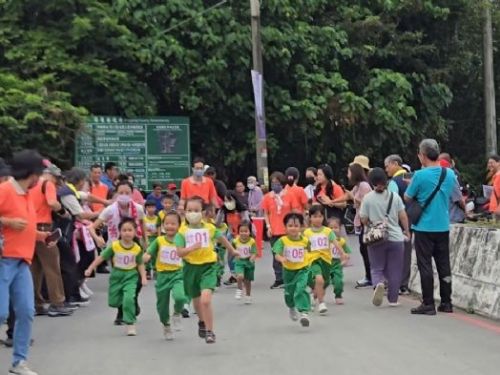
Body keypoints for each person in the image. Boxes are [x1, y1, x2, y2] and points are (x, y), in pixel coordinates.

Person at [0, 150, 54, 375]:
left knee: (26, 311)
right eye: (39, 174)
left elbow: (27, 227)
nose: (40, 179)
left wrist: (43, 238)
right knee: (1, 312)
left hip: (23, 260)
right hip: (4, 259)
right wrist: (7, 221)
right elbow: (13, 222)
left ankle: (19, 362)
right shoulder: (4, 190)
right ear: (31, 173)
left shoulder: (27, 195)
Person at [175, 196, 239, 344]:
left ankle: (210, 331)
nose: (193, 213)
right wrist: (191, 248)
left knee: (205, 300)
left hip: (208, 266)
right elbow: (179, 252)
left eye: (196, 210)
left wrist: (232, 250)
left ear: (203, 212)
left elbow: (222, 238)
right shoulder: (182, 231)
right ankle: (202, 321)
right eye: (189, 210)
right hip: (191, 268)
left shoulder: (209, 228)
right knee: (197, 301)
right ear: (184, 213)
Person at [405, 139, 456, 316]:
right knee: (444, 264)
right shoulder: (449, 174)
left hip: (424, 227)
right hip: (443, 225)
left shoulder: (419, 175)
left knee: (425, 264)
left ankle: (428, 303)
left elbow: (407, 197)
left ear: (423, 155)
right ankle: (447, 302)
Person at [85, 218, 147, 336]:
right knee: (113, 302)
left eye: (130, 230)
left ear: (134, 232)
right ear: (120, 232)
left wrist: (143, 277)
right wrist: (90, 268)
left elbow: (140, 264)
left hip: (131, 275)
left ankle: (130, 324)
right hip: (117, 275)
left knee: (129, 298)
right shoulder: (114, 246)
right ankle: (128, 307)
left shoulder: (137, 248)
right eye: (124, 230)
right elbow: (102, 257)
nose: (127, 233)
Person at [360, 168, 410, 307]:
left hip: (376, 237)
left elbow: (363, 218)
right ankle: (393, 300)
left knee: (376, 267)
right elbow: (403, 216)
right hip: (395, 237)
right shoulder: (395, 196)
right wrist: (406, 231)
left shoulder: (368, 198)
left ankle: (378, 284)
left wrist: (371, 222)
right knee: (395, 269)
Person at [30, 163, 74, 317]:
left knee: (35, 268)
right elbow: (52, 203)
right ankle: (57, 302)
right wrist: (63, 212)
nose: (57, 183)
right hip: (43, 229)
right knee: (52, 267)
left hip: (30, 229)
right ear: (52, 175)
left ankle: (36, 303)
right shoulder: (47, 184)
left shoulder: (31, 184)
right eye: (57, 179)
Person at [143, 211, 187, 340]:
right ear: (162, 225)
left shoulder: (182, 240)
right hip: (162, 276)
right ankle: (166, 325)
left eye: (173, 223)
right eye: (167, 223)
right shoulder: (159, 240)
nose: (170, 226)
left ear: (179, 225)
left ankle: (177, 313)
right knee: (162, 306)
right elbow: (149, 252)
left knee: (180, 297)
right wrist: (145, 257)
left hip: (178, 274)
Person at [304, 205, 346, 315]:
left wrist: (342, 253)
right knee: (319, 280)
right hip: (313, 260)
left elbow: (335, 243)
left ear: (323, 217)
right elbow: (304, 246)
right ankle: (321, 303)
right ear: (310, 218)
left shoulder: (327, 231)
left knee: (324, 282)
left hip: (326, 261)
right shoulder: (307, 232)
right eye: (315, 216)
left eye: (320, 216)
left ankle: (313, 295)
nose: (318, 219)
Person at [272, 213, 312, 328]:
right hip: (289, 271)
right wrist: (282, 258)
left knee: (301, 288)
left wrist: (310, 261)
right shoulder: (282, 241)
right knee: (289, 293)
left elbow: (310, 251)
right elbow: (276, 254)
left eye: (296, 225)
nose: (293, 228)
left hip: (302, 269)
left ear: (300, 227)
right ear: (285, 227)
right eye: (290, 226)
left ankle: (304, 312)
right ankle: (291, 307)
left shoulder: (305, 241)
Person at [338, 162, 372, 288]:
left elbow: (366, 202)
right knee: (363, 250)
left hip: (366, 221)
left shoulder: (364, 185)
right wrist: (331, 201)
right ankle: (369, 276)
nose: (347, 175)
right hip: (359, 221)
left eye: (349, 172)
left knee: (366, 249)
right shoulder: (357, 186)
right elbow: (347, 196)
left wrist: (352, 197)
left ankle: (371, 277)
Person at [385, 154, 412, 295]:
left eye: (387, 166)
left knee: (393, 252)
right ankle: (404, 284)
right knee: (406, 253)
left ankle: (393, 283)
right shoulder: (411, 178)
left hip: (397, 222)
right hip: (412, 219)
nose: (386, 169)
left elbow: (392, 204)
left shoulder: (394, 182)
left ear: (395, 163)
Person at [262, 172, 293, 289]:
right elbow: (266, 213)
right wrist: (268, 226)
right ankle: (279, 278)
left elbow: (293, 211)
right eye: (273, 183)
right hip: (274, 230)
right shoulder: (267, 197)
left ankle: (289, 277)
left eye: (278, 183)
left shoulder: (289, 195)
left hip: (287, 230)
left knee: (287, 255)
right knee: (276, 255)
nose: (275, 185)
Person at [327, 217, 352, 305]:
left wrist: (345, 259)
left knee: (338, 281)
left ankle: (338, 295)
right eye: (331, 228)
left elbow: (347, 253)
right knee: (323, 282)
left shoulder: (342, 241)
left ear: (340, 229)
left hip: (337, 264)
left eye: (336, 227)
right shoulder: (325, 241)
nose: (333, 230)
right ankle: (317, 295)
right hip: (326, 263)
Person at [233, 221, 257, 304]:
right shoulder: (235, 241)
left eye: (246, 231)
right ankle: (239, 289)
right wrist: (235, 255)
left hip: (248, 262)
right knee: (240, 276)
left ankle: (248, 295)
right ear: (238, 232)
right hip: (239, 262)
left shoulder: (252, 241)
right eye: (241, 231)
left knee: (247, 281)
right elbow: (232, 250)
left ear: (249, 232)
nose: (243, 233)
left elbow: (254, 252)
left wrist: (252, 258)